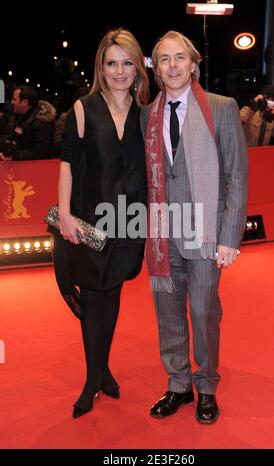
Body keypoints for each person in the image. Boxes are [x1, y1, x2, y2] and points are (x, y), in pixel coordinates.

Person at [140, 31, 248, 424]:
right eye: (164, 59)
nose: (172, 65)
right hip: (162, 235)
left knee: (203, 313)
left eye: (179, 57)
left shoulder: (222, 107)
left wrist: (229, 237)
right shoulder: (146, 115)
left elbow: (236, 176)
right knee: (167, 313)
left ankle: (205, 385)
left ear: (193, 64)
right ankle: (178, 383)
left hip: (204, 234)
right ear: (156, 69)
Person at [49, 28, 149, 418]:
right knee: (93, 298)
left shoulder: (147, 115)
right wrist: (65, 216)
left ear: (138, 68)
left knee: (113, 294)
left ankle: (104, 368)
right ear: (101, 68)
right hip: (90, 222)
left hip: (130, 222)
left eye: (127, 63)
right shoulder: (83, 108)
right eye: (112, 63)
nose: (119, 71)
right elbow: (67, 166)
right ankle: (93, 379)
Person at [0, 85, 56, 161]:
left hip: (32, 170)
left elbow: (40, 154)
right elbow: (11, 140)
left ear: (24, 102)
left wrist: (14, 156)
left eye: (14, 99)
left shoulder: (43, 123)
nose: (12, 102)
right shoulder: (19, 116)